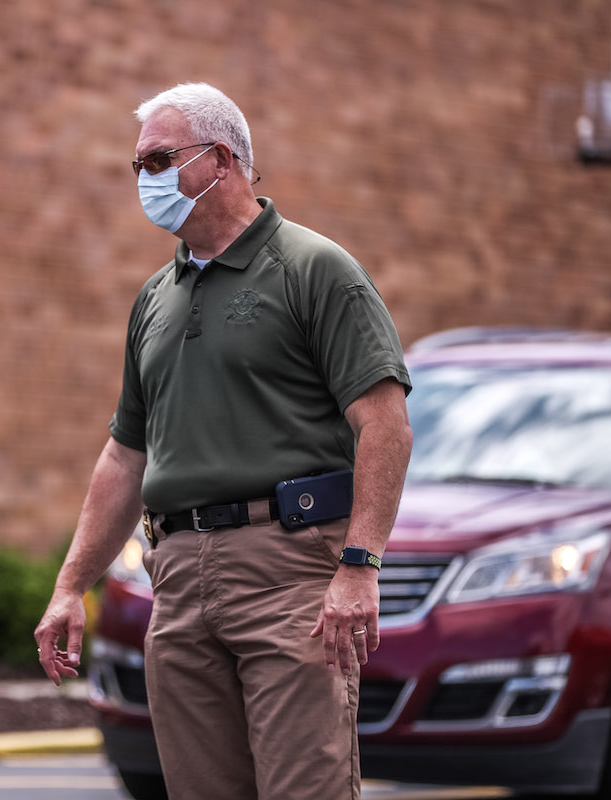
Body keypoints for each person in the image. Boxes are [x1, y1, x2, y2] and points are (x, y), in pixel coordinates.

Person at [34, 84, 413, 799]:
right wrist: (69, 587)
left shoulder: (315, 270)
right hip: (176, 581)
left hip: (289, 572)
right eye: (138, 165)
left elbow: (384, 424)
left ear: (221, 159)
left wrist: (360, 566)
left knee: (305, 789)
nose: (144, 179)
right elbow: (125, 455)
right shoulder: (155, 298)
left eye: (159, 160)